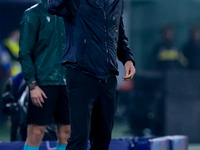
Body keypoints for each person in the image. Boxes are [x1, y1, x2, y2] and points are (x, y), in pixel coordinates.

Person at [46, 1, 136, 150]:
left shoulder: (116, 2)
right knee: (79, 137)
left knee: (103, 137)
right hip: (81, 74)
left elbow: (118, 33)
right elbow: (52, 6)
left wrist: (127, 59)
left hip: (108, 78)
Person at [18, 0, 70, 150]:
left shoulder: (70, 13)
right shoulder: (32, 14)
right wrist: (32, 84)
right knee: (36, 131)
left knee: (67, 132)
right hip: (43, 83)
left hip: (68, 82)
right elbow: (24, 53)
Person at [2, 72, 57, 142]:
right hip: (21, 135)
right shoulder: (16, 80)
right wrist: (21, 111)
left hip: (49, 138)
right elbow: (6, 105)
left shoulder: (55, 79)